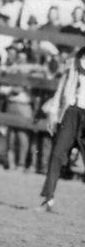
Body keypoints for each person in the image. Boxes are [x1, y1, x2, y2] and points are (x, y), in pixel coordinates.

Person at [37, 45, 85, 212]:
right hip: (71, 112)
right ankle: (48, 198)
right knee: (57, 153)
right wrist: (53, 112)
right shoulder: (74, 61)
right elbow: (61, 88)